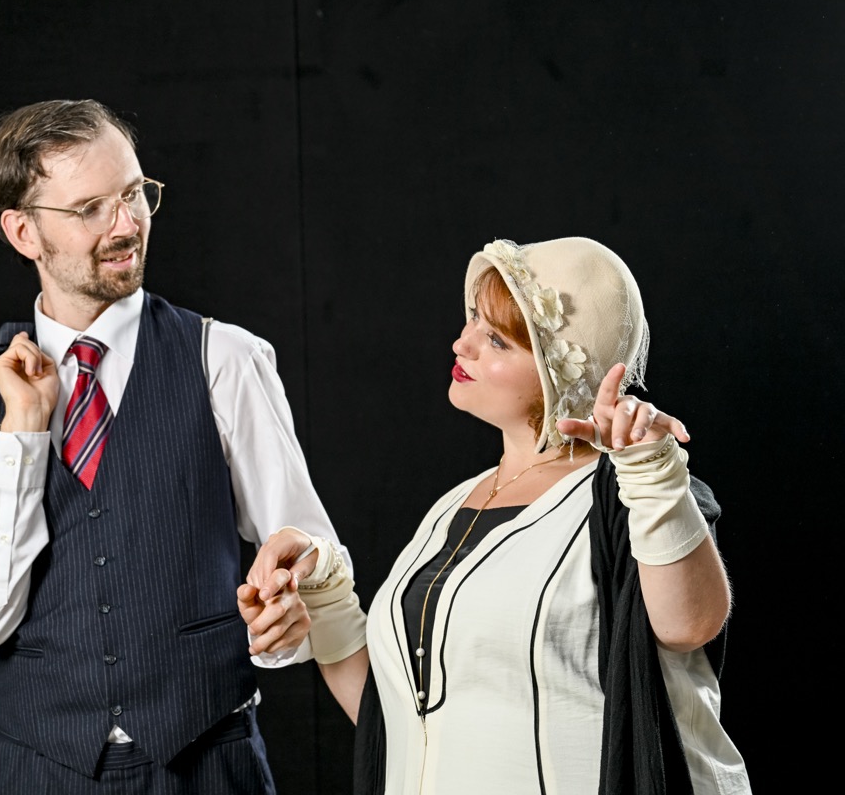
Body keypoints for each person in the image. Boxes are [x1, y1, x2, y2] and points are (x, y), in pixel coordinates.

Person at [0, 98, 367, 794]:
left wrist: (288, 609)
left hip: (208, 766)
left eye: (134, 194)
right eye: (89, 209)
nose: (127, 225)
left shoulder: (225, 360)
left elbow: (311, 561)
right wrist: (22, 437)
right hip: (31, 773)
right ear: (23, 232)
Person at [244, 237, 752, 793]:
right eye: (472, 320)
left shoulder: (633, 498)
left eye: (496, 340)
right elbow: (398, 717)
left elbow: (690, 625)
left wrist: (653, 474)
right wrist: (320, 591)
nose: (461, 344)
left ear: (560, 371)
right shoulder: (451, 507)